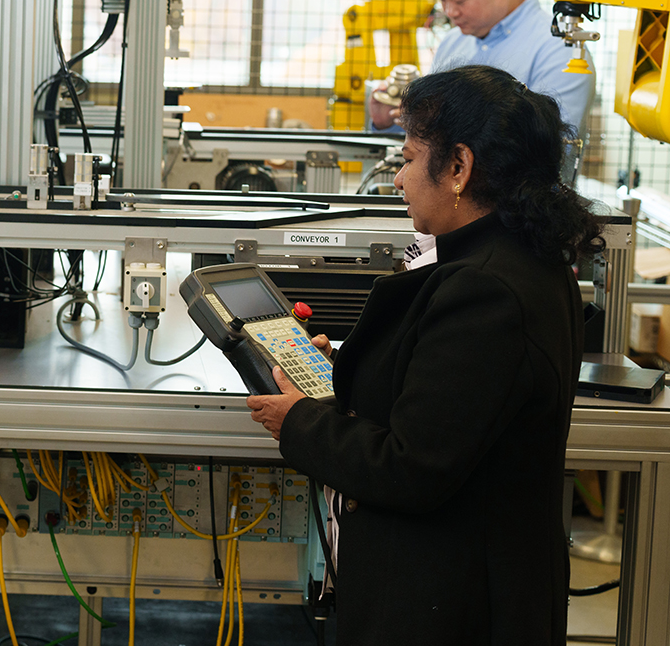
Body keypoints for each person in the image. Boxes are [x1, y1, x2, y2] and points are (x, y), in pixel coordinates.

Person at [249, 65, 604, 644]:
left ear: (459, 168)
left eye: (409, 159)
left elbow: (413, 467)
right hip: (475, 586)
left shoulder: (485, 289)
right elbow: (444, 399)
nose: (398, 180)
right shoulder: (520, 260)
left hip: (450, 602)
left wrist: (300, 423)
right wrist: (345, 373)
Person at [370, 0, 595, 141]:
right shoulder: (451, 45)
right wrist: (391, 123)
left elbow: (553, 152)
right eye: (442, 0)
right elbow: (426, 148)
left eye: (459, 0)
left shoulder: (562, 52)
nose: (450, 12)